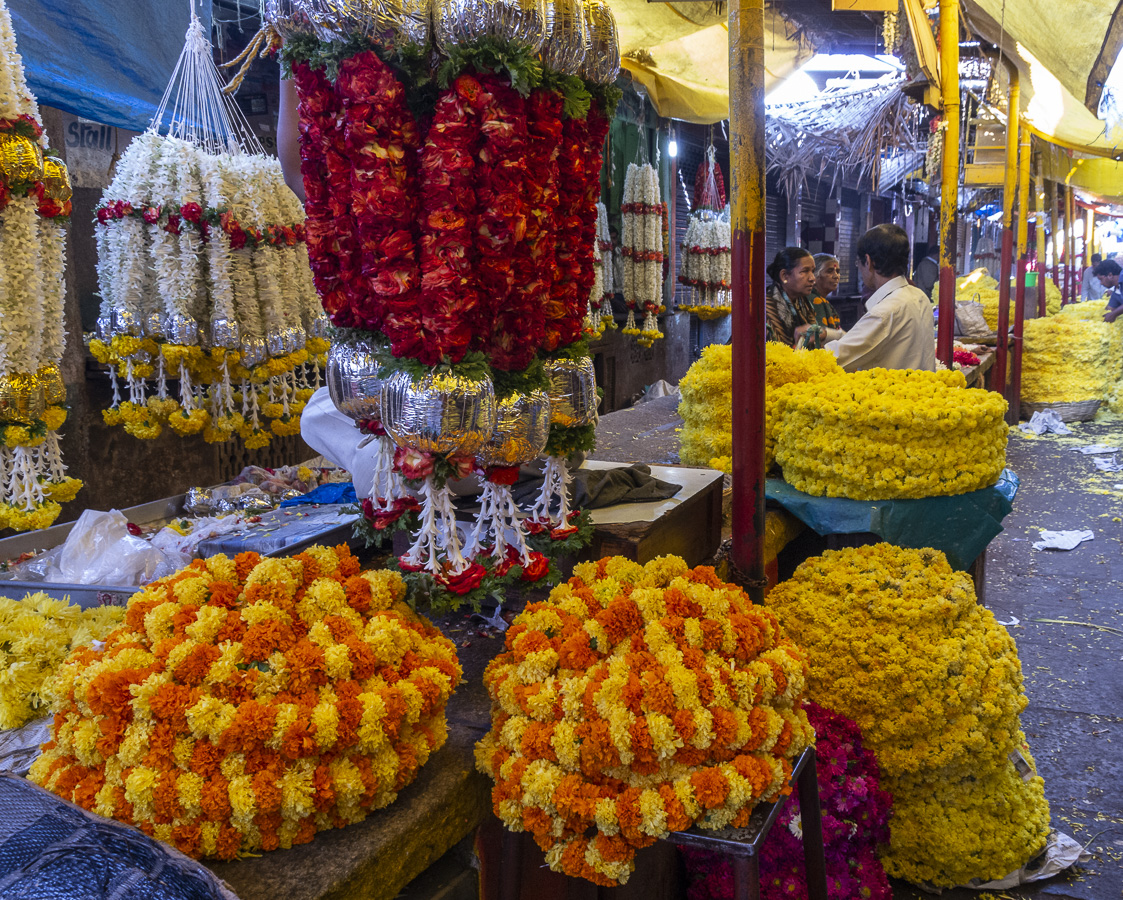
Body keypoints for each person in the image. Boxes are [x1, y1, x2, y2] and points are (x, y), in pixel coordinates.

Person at [825, 224, 936, 372]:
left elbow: (837, 357)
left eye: (859, 263)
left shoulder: (885, 311)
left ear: (869, 261)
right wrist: (831, 334)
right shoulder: (919, 296)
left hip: (891, 393)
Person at [766, 247, 840, 347]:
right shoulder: (767, 307)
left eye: (813, 271)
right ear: (784, 276)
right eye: (805, 271)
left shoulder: (803, 302)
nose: (812, 278)